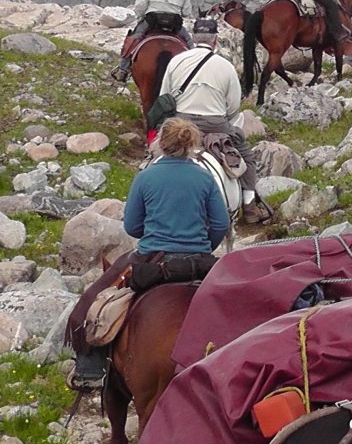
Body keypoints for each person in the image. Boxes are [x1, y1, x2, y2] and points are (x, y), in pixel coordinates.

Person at [66, 118, 230, 390]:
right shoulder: (205, 178)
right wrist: (203, 248)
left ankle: (90, 367)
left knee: (93, 301)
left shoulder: (146, 177)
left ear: (160, 143)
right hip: (199, 263)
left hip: (153, 259)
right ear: (190, 144)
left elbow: (132, 225)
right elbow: (221, 224)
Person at [160, 18, 271, 225]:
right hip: (215, 124)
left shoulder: (176, 61)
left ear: (193, 38)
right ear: (215, 40)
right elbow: (233, 107)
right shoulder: (226, 66)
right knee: (246, 157)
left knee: (154, 155)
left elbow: (165, 96)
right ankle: (249, 206)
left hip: (181, 123)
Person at [112, 0, 194, 82]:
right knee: (189, 42)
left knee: (133, 38)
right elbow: (187, 12)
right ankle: (196, 69)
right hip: (174, 24)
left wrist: (139, 16)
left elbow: (140, 5)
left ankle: (122, 69)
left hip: (152, 21)